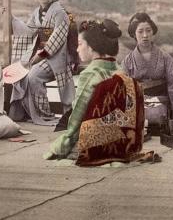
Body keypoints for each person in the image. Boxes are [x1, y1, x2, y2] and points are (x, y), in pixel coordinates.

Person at [44, 19, 147, 165]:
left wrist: (64, 142)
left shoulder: (90, 73)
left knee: (57, 148)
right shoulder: (121, 71)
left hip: (94, 145)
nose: (77, 49)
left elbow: (77, 117)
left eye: (80, 44)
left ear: (92, 47)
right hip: (124, 143)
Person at [9, 0, 75, 125]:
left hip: (58, 56)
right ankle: (34, 112)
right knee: (23, 74)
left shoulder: (59, 12)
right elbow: (29, 31)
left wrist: (41, 54)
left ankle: (46, 114)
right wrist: (12, 20)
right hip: (43, 56)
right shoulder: (36, 13)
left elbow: (58, 38)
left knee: (34, 76)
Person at [121, 12, 173, 127]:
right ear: (134, 34)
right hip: (138, 101)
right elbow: (124, 88)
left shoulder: (164, 57)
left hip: (160, 101)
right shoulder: (127, 61)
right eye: (140, 31)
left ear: (153, 32)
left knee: (157, 114)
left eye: (148, 30)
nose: (145, 35)